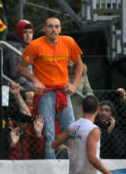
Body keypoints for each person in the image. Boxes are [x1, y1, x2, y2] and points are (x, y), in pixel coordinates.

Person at [18, 17, 84, 159]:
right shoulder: (35, 45)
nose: (53, 29)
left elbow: (79, 64)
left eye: (56, 26)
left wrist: (74, 84)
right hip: (44, 92)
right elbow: (21, 68)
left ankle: (68, 166)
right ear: (44, 29)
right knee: (49, 133)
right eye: (50, 26)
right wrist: (35, 80)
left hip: (63, 91)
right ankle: (50, 167)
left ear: (60, 29)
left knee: (71, 131)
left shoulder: (68, 41)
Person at [4, 19, 33, 89]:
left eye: (30, 32)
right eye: (25, 32)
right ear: (19, 32)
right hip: (21, 85)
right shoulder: (15, 48)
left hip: (29, 82)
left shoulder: (27, 46)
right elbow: (15, 74)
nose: (28, 35)